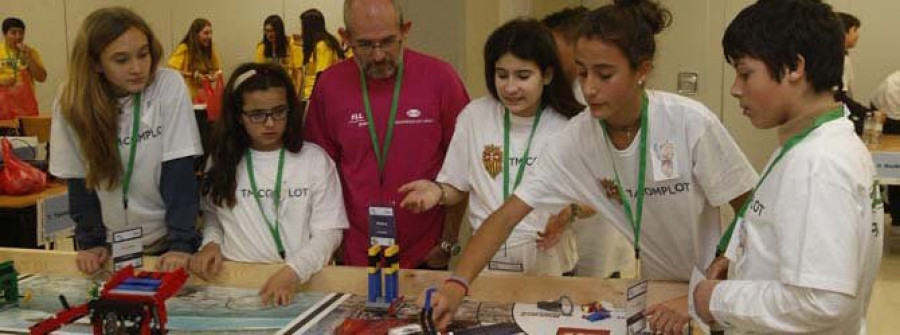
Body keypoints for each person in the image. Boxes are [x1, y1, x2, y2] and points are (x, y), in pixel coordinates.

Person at [424, 1, 758, 334]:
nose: (590, 88)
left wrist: (724, 264)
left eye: (605, 74)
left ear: (641, 70)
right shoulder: (577, 138)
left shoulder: (689, 122)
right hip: (658, 289)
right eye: (582, 72)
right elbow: (507, 214)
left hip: (721, 288)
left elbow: (753, 209)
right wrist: (457, 284)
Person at [692, 1, 883, 333]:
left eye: (745, 72)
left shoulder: (819, 162)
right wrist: (740, 265)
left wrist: (719, 299)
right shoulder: (810, 142)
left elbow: (823, 302)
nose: (736, 89)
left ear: (794, 67)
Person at [399, 19, 583, 276]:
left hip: (548, 258)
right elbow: (456, 186)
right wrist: (436, 192)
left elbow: (595, 198)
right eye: (501, 75)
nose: (510, 87)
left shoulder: (569, 125)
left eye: (523, 76)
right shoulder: (475, 116)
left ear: (548, 75)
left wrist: (569, 212)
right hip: (486, 258)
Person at [304, 0, 470, 270]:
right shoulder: (329, 86)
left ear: (405, 30)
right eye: (365, 45)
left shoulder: (441, 78)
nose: (378, 55)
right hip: (355, 254)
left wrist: (447, 242)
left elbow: (464, 169)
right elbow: (318, 174)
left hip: (424, 253)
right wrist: (333, 244)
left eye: (388, 41)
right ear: (345, 38)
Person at [49, 7, 203, 274]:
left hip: (166, 242)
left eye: (143, 54)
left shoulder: (168, 85)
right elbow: (79, 179)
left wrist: (181, 243)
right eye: (121, 60)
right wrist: (90, 240)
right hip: (109, 246)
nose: (137, 68)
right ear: (95, 64)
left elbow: (179, 173)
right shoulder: (70, 99)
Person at [190, 63, 348, 306]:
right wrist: (211, 243)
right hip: (235, 287)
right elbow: (214, 215)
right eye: (257, 115)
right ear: (238, 116)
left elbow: (329, 232)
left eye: (279, 112)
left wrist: (292, 272)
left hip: (301, 284)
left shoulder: (314, 159)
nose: (270, 123)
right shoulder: (222, 159)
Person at [542, 6, 635, 278]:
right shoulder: (550, 94)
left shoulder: (596, 99)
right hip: (559, 247)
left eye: (552, 48)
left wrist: (571, 212)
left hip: (600, 240)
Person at [292, 9, 346, 101]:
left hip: (318, 96)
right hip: (310, 94)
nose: (301, 30)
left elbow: (321, 75)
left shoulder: (322, 45)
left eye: (303, 27)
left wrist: (313, 100)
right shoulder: (315, 45)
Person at [168, 18, 223, 100]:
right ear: (196, 34)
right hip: (186, 97)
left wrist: (214, 76)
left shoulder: (210, 48)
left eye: (211, 33)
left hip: (203, 97)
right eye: (206, 33)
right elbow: (171, 71)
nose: (209, 36)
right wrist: (193, 75)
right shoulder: (184, 48)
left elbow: (218, 69)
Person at [255, 15, 303, 94]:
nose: (269, 34)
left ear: (279, 31)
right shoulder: (261, 47)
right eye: (267, 31)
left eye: (272, 31)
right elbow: (259, 73)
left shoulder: (291, 45)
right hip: (269, 90)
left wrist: (296, 94)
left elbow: (299, 72)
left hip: (288, 89)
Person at [0, 17, 47, 88]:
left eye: (21, 33)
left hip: (25, 96)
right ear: (5, 34)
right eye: (13, 33)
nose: (18, 37)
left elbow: (42, 78)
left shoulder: (30, 52)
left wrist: (29, 58)